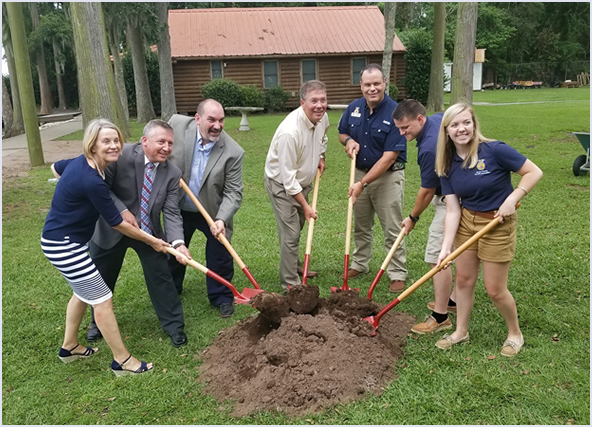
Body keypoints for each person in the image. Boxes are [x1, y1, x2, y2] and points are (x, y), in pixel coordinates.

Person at [41, 119, 168, 376]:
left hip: (58, 241)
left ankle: (69, 346)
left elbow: (56, 168)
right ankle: (123, 360)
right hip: (65, 246)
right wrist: (153, 240)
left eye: (116, 140)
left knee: (82, 293)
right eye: (106, 141)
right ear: (92, 145)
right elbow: (119, 224)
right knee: (103, 300)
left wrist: (69, 191)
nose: (113, 146)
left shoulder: (80, 164)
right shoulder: (92, 181)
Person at [434, 103, 543, 356]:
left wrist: (513, 198)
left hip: (497, 223)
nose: (462, 129)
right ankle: (461, 331)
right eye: (455, 125)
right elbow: (452, 210)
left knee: (494, 289)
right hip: (467, 223)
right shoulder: (446, 164)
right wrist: (445, 249)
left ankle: (515, 333)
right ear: (446, 131)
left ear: (474, 124)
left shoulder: (494, 150)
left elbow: (533, 172)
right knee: (463, 280)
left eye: (466, 122)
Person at [86, 120, 190, 348]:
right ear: (144, 141)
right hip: (111, 227)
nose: (166, 148)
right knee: (102, 278)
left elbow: (171, 211)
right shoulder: (119, 157)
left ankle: (175, 326)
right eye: (161, 141)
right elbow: (102, 189)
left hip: (147, 232)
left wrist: (179, 243)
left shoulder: (172, 173)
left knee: (161, 276)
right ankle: (97, 324)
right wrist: (122, 211)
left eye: (170, 143)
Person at [168, 99, 244, 318]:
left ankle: (222, 296)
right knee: (174, 250)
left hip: (212, 211)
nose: (217, 126)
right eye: (211, 120)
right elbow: (152, 136)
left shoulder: (233, 152)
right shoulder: (177, 126)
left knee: (220, 251)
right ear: (198, 118)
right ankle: (171, 289)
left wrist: (221, 219)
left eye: (221, 120)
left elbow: (233, 192)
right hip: (178, 206)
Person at [338, 63, 407, 293]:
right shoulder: (354, 108)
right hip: (360, 173)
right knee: (361, 224)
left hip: (387, 177)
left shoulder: (396, 113)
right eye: (367, 84)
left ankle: (397, 272)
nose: (372, 89)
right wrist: (348, 141)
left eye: (377, 83)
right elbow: (342, 132)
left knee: (392, 227)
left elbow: (389, 158)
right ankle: (360, 264)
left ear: (385, 83)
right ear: (361, 86)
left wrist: (362, 183)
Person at [393, 100, 457, 334]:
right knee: (459, 250)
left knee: (436, 257)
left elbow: (427, 191)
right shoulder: (438, 120)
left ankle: (440, 316)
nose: (402, 134)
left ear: (420, 119)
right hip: (464, 194)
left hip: (451, 200)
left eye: (405, 128)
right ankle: (454, 301)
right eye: (399, 129)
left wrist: (412, 217)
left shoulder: (428, 149)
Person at [264, 80, 329, 290]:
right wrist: (306, 206)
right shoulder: (290, 132)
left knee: (299, 224)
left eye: (323, 100)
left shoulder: (322, 117)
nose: (319, 105)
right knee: (291, 232)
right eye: (314, 101)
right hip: (281, 185)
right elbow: (288, 179)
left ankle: (296, 265)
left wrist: (320, 155)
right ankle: (290, 283)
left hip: (302, 183)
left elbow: (323, 137)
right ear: (302, 103)